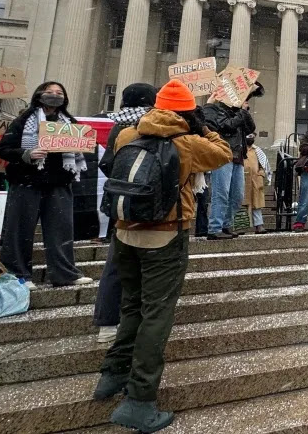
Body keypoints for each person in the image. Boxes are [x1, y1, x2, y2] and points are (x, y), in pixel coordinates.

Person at [93, 79, 231, 432]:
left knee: (132, 305)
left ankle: (112, 373)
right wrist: (200, 125)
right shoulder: (187, 144)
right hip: (165, 235)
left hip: (124, 232)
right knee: (157, 314)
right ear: (186, 111)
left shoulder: (127, 135)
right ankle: (139, 398)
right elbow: (224, 153)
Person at [0, 81, 93, 290]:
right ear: (39, 95)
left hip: (58, 183)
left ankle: (64, 273)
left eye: (59, 92)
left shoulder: (70, 122)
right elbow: (3, 149)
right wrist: (27, 154)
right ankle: (18, 274)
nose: (55, 95)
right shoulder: (23, 120)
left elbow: (80, 150)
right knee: (19, 230)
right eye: (50, 92)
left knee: (61, 231)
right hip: (26, 181)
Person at [94, 82, 157, 345]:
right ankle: (136, 320)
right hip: (149, 206)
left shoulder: (117, 127)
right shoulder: (151, 127)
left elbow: (107, 163)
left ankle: (109, 321)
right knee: (148, 265)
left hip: (123, 205)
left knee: (118, 263)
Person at [203, 94, 256, 239]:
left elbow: (251, 128)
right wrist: (241, 113)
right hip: (224, 156)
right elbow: (227, 126)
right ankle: (214, 228)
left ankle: (226, 225)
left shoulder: (239, 113)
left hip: (238, 157)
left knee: (237, 195)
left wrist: (244, 112)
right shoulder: (221, 111)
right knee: (221, 193)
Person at [244, 133, 272, 234]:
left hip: (255, 180)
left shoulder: (257, 150)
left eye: (252, 136)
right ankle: (240, 226)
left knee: (257, 204)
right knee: (242, 203)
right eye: (248, 136)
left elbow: (263, 165)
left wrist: (261, 175)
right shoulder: (240, 149)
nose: (251, 138)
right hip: (242, 179)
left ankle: (259, 225)